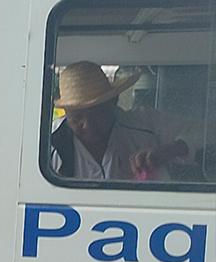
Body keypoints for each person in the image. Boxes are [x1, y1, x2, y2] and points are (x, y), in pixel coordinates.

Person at [50, 61, 210, 181]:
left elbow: (209, 132)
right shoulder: (47, 142)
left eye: (96, 114)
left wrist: (171, 150)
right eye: (76, 118)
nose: (88, 125)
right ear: (65, 113)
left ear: (113, 102)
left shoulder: (146, 123)